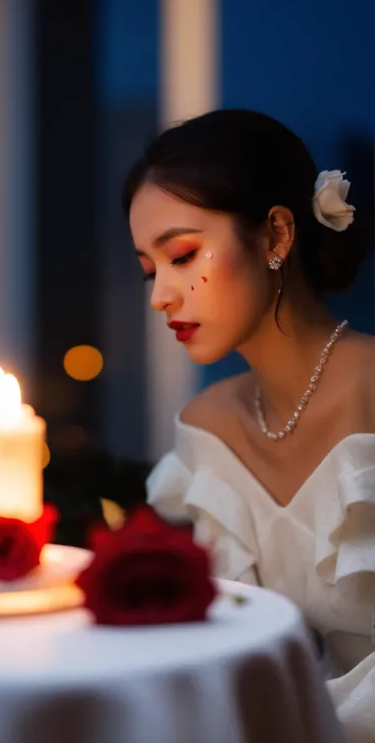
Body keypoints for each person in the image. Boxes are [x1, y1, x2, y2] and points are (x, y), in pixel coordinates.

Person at [123, 109, 375, 743]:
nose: (160, 297)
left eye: (182, 255)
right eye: (150, 270)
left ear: (275, 237)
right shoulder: (207, 430)